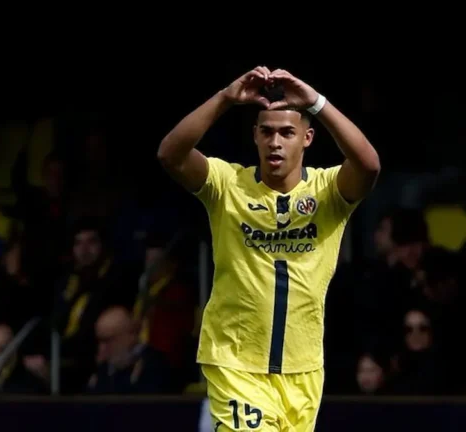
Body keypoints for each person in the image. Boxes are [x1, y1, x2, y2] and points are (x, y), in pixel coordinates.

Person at [158, 66, 380, 431]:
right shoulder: (227, 185)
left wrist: (317, 102)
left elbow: (369, 165)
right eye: (267, 132)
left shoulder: (328, 192)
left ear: (307, 138)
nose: (276, 141)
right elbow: (171, 154)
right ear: (256, 137)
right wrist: (226, 98)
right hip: (236, 363)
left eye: (287, 133)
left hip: (303, 368)